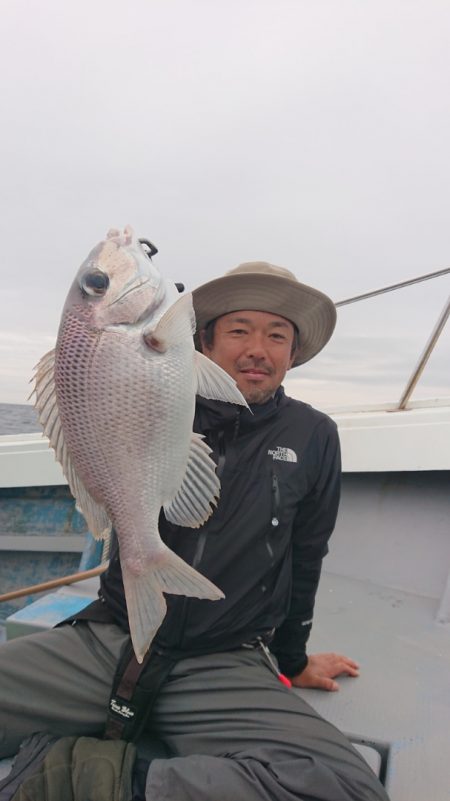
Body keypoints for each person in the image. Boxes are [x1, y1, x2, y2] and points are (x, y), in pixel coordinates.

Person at [0, 262, 389, 801]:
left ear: (293, 353)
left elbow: (306, 555)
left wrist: (293, 659)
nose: (258, 349)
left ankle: (90, 779)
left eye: (277, 336)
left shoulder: (314, 433)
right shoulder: (154, 395)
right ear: (201, 342)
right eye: (239, 331)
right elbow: (91, 386)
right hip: (108, 639)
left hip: (222, 659)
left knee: (348, 788)